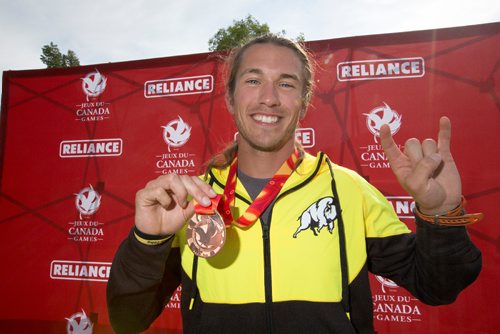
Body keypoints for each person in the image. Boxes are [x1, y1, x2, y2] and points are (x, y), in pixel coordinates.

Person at [107, 34, 482, 334]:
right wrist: (147, 242)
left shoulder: (348, 189)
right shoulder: (190, 201)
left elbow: (438, 286)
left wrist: (440, 214)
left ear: (303, 104)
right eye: (253, 80)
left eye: (286, 84)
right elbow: (127, 320)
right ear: (230, 96)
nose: (268, 98)